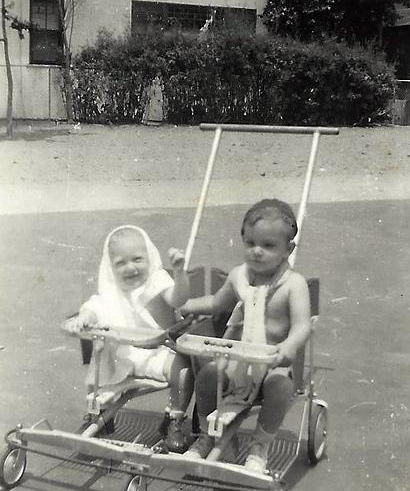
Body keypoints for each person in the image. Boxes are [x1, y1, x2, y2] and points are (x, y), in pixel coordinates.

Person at [180, 199, 311, 472]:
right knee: (207, 375)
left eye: (268, 245)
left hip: (272, 362)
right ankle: (207, 434)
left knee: (281, 387)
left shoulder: (293, 285)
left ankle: (260, 444)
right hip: (237, 361)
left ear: (288, 249)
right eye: (250, 243)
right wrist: (189, 306)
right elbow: (217, 304)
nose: (257, 251)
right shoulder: (239, 276)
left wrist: (289, 345)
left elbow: (302, 326)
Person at [64, 224, 193, 452]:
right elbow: (95, 307)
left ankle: (174, 419)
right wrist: (84, 317)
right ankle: (98, 414)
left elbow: (178, 298)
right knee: (99, 359)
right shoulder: (111, 291)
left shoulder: (158, 281)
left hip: (157, 351)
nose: (130, 268)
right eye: (120, 263)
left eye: (137, 259)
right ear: (110, 267)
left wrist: (180, 273)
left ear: (149, 257)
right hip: (124, 354)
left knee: (182, 370)